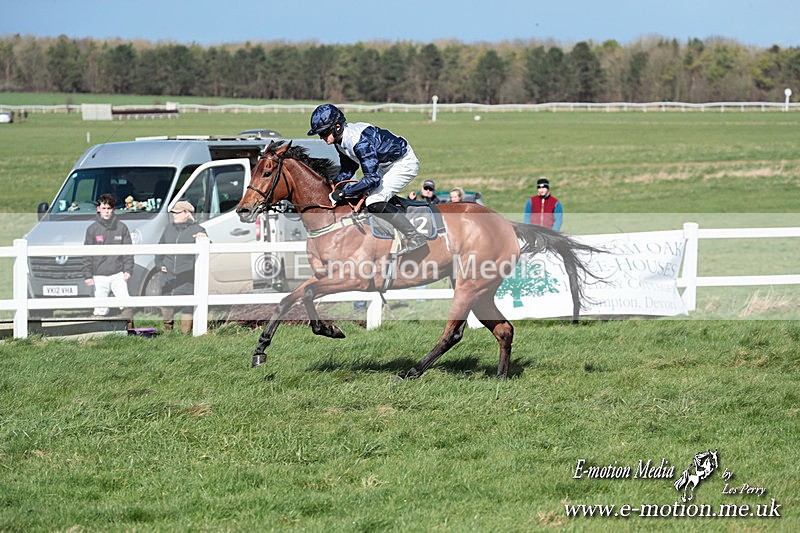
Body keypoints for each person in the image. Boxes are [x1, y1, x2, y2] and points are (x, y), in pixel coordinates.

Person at [307, 103, 427, 255]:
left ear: (337, 127)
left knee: (373, 201)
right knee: (361, 197)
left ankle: (415, 236)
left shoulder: (359, 142)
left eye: (324, 133)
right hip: (385, 164)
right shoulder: (340, 142)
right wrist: (334, 186)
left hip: (403, 163)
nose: (321, 137)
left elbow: (372, 179)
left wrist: (344, 192)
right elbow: (348, 169)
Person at [155, 200, 208, 333]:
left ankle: (185, 334)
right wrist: (159, 264)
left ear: (186, 213)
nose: (174, 215)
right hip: (168, 274)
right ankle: (168, 332)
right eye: (173, 213)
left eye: (177, 213)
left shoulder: (198, 229)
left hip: (187, 274)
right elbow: (160, 247)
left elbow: (209, 245)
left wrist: (204, 238)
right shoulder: (168, 228)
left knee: (188, 305)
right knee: (166, 302)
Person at [82, 193, 134, 328]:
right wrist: (88, 275)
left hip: (118, 273)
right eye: (104, 208)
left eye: (109, 208)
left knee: (126, 303)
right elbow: (86, 254)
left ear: (113, 209)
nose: (106, 211)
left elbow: (129, 252)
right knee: (100, 308)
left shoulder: (122, 227)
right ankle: (98, 333)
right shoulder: (92, 229)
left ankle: (129, 330)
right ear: (99, 209)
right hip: (99, 274)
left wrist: (128, 270)